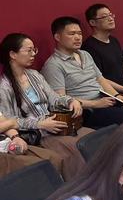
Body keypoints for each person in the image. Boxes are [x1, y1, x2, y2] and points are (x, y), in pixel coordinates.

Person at [0, 33, 87, 180]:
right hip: (38, 134)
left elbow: (53, 98)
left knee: (91, 138)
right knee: (75, 149)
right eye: (29, 50)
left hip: (55, 126)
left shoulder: (34, 75)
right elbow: (11, 121)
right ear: (13, 54)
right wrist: (40, 123)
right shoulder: (4, 87)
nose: (33, 54)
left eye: (34, 50)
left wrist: (70, 101)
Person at [42, 16, 123, 129]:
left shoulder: (85, 54)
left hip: (106, 100)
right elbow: (60, 100)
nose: (78, 37)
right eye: (72, 34)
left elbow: (100, 79)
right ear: (57, 37)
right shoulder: (53, 65)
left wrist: (117, 96)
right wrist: (96, 104)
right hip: (87, 110)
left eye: (79, 33)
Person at [0, 110, 64, 178]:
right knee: (38, 167)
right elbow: (10, 123)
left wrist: (15, 137)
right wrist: (11, 123)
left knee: (54, 158)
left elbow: (5, 123)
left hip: (8, 143)